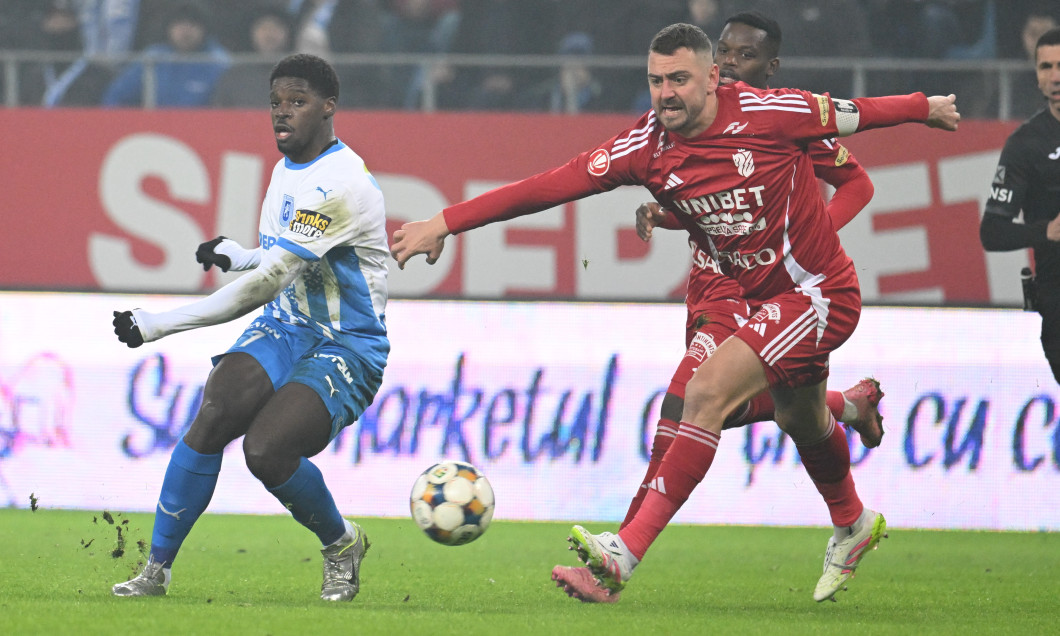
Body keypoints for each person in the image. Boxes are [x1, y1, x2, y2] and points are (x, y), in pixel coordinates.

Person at [390, 22, 959, 603]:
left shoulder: (771, 113)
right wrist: (446, 222)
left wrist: (926, 107)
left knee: (704, 393)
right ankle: (853, 518)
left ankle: (623, 555)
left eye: (679, 79)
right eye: (656, 81)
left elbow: (857, 112)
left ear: (712, 78)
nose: (666, 93)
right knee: (802, 420)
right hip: (762, 302)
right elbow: (549, 186)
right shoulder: (645, 146)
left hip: (818, 294)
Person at [551, 10, 883, 603]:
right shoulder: (685, 126)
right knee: (793, 417)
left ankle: (618, 556)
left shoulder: (786, 121)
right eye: (724, 52)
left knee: (687, 402)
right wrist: (669, 215)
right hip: (713, 286)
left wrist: (800, 248)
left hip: (767, 291)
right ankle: (849, 421)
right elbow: (712, 200)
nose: (730, 64)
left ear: (771, 68)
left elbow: (857, 184)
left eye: (745, 56)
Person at [110, 53, 390, 602]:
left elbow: (268, 283)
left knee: (265, 450)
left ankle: (341, 544)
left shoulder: (340, 186)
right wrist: (241, 255)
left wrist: (159, 324)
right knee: (216, 410)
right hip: (287, 325)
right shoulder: (288, 169)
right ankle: (155, 570)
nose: (282, 112)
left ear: (328, 107)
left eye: (297, 101)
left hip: (346, 344)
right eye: (276, 102)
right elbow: (284, 260)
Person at [980, 26, 1060, 384]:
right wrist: (1046, 231)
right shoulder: (1025, 144)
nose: (1055, 77)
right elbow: (992, 232)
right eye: (1046, 67)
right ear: (1037, 76)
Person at [101, 1, 229, 107]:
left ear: (204, 29)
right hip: (156, 127)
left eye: (192, 24)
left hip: (203, 127)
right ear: (169, 28)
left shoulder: (219, 63)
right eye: (179, 24)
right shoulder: (152, 59)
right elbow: (116, 96)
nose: (185, 31)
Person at [211, 5, 292, 108]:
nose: (269, 34)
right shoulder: (234, 76)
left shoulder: (300, 74)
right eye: (263, 27)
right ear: (251, 33)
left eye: (276, 27)